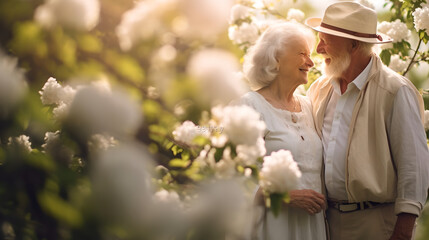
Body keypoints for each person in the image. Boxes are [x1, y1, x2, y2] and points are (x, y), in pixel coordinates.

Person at [305, 2, 429, 240]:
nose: (318, 49)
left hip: (376, 224)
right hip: (323, 224)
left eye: (326, 40)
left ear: (353, 45)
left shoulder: (395, 91)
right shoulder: (319, 89)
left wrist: (402, 233)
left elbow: (413, 167)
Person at [238, 21, 327, 240]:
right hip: (271, 226)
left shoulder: (309, 106)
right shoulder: (249, 106)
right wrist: (285, 196)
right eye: (302, 54)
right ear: (276, 58)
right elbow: (234, 178)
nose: (310, 62)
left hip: (311, 228)